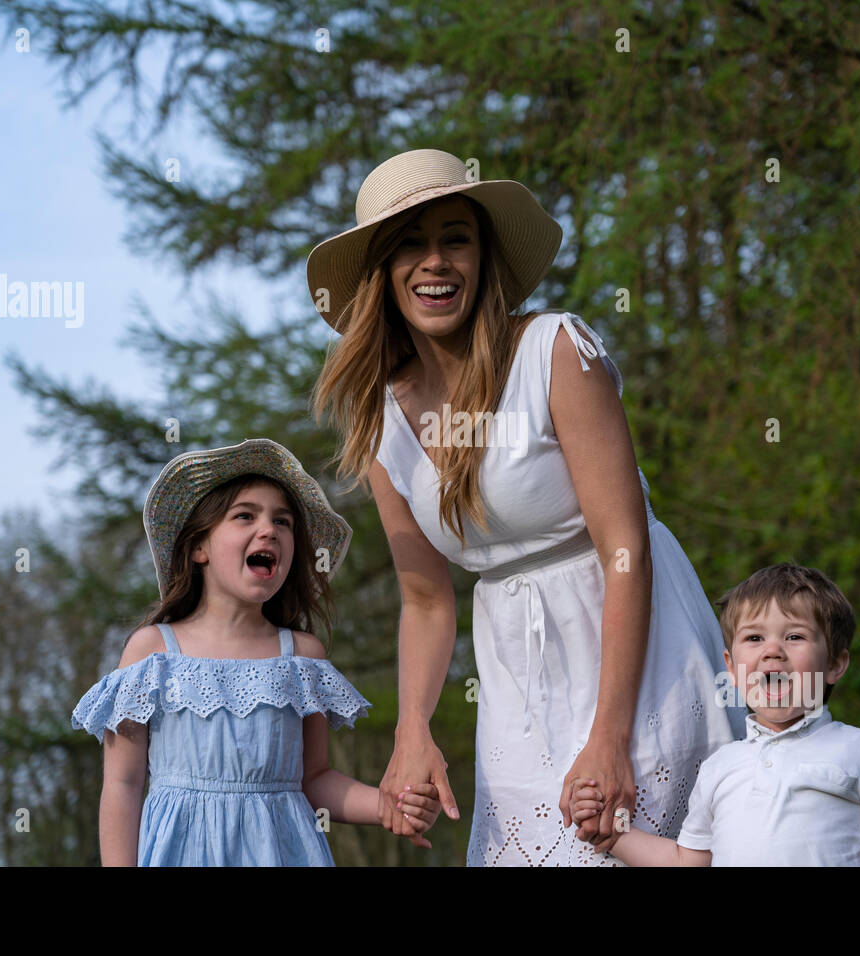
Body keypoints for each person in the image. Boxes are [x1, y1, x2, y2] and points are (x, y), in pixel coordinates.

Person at [308, 148, 743, 865]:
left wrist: (609, 734)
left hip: (632, 636)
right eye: (409, 244)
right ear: (382, 274)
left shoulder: (555, 351)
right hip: (513, 666)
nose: (435, 261)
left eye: (456, 237)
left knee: (655, 843)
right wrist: (412, 729)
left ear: (483, 257)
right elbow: (424, 598)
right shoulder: (380, 419)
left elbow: (624, 548)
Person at [71, 438, 441, 866]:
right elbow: (123, 784)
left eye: (283, 522)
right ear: (199, 548)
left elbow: (315, 779)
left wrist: (386, 805)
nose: (269, 529)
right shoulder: (153, 652)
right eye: (245, 515)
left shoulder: (302, 658)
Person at [568, 563, 860, 866]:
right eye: (755, 638)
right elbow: (686, 861)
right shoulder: (720, 767)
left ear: (835, 664)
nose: (773, 651)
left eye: (794, 637)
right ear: (731, 666)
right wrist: (613, 832)